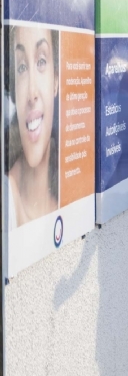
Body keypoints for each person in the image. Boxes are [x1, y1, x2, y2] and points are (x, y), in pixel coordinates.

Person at [6, 26, 60, 228]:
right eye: (21, 67)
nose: (31, 92)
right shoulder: (7, 200)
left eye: (41, 61)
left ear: (56, 79)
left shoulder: (66, 194)